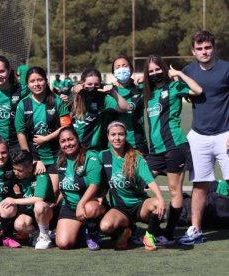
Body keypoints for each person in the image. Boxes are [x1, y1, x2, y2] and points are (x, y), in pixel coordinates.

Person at [142, 54, 202, 244]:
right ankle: (150, 223)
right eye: (150, 71)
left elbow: (198, 90)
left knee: (174, 191)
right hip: (155, 151)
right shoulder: (148, 94)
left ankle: (167, 233)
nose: (154, 73)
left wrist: (179, 74)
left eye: (157, 69)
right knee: (138, 181)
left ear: (164, 69)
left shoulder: (174, 86)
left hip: (175, 146)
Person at [178, 31, 229, 245]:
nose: (204, 51)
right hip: (198, 135)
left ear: (214, 48)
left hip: (225, 134)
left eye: (207, 47)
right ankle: (196, 230)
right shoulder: (188, 70)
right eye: (199, 48)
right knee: (200, 184)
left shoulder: (226, 68)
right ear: (193, 51)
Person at [98, 121, 166, 251]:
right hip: (120, 209)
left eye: (120, 134)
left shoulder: (136, 157)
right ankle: (128, 229)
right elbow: (102, 179)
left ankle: (149, 236)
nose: (117, 138)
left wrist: (161, 198)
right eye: (113, 134)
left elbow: (150, 180)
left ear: (125, 135)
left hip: (139, 206)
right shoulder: (103, 156)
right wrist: (101, 195)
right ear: (108, 136)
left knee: (158, 203)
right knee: (105, 226)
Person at [15, 66, 72, 194]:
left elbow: (66, 126)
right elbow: (21, 132)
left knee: (54, 191)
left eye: (40, 80)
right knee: (35, 193)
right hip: (34, 156)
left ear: (46, 81)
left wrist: (46, 138)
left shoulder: (57, 101)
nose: (37, 84)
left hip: (55, 156)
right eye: (32, 81)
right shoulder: (23, 105)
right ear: (28, 84)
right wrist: (31, 159)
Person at [55, 126, 107, 250]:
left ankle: (92, 234)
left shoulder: (91, 158)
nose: (67, 144)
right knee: (63, 243)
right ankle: (82, 232)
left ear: (77, 139)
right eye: (63, 141)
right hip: (69, 207)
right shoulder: (60, 160)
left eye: (70, 139)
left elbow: (95, 185)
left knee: (90, 208)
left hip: (89, 204)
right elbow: (65, 186)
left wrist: (80, 204)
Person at [0, 150, 55, 249]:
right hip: (30, 213)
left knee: (39, 205)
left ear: (30, 168)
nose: (16, 172)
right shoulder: (15, 174)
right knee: (19, 225)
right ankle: (39, 234)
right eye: (14, 169)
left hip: (47, 213)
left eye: (20, 170)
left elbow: (39, 198)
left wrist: (14, 200)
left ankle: (45, 236)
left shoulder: (41, 175)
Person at [71, 68, 129, 151]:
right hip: (74, 149)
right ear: (82, 84)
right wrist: (73, 91)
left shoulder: (103, 98)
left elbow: (125, 108)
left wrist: (113, 92)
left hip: (94, 150)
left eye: (96, 84)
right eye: (89, 84)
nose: (93, 87)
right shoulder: (75, 97)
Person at [107, 55, 148, 155]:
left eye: (124, 66)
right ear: (113, 72)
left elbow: (161, 79)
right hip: (114, 144)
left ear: (131, 69)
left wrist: (147, 78)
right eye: (118, 67)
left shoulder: (141, 88)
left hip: (137, 143)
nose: (121, 69)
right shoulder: (108, 91)